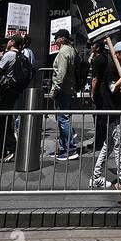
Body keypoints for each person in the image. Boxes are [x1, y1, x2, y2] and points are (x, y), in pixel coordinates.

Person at [90, 40, 121, 189]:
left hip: (116, 110)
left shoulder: (120, 67)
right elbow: (113, 88)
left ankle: (96, 176)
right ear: (118, 54)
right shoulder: (110, 67)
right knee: (119, 146)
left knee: (108, 145)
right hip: (111, 111)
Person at [48, 29, 78, 160]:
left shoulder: (63, 52)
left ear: (62, 38)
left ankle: (70, 149)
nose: (55, 40)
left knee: (63, 118)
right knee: (63, 118)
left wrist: (55, 88)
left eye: (56, 37)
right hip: (68, 88)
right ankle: (62, 147)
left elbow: (61, 73)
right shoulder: (71, 50)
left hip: (63, 90)